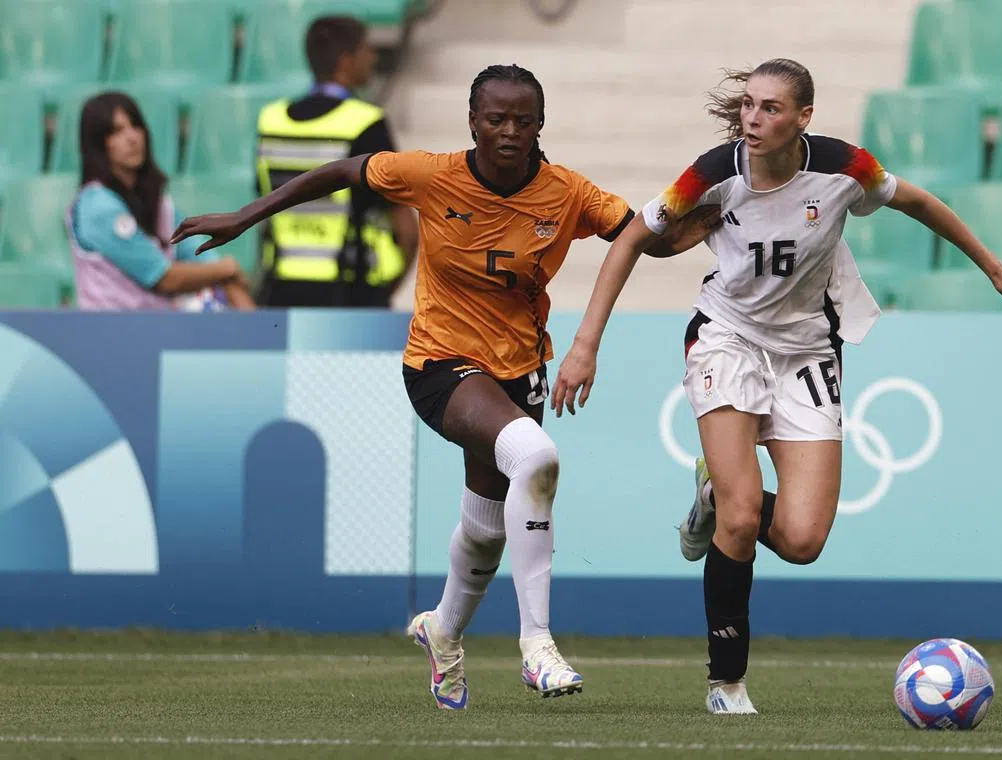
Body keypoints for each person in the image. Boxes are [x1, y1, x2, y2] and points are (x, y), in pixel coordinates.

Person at [172, 64, 713, 710]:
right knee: (536, 457)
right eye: (496, 119)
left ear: (542, 125)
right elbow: (345, 172)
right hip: (440, 365)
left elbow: (646, 239)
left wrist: (729, 208)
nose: (509, 131)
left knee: (485, 528)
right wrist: (246, 215)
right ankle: (537, 645)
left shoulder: (567, 194)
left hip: (519, 369)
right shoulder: (431, 175)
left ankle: (443, 630)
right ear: (472, 121)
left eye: (524, 120)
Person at [551, 58, 1002, 715]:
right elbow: (636, 238)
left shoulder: (846, 169)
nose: (753, 118)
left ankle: (713, 494)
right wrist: (585, 345)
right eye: (749, 105)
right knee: (745, 512)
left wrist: (992, 267)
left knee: (805, 540)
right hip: (726, 337)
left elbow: (918, 202)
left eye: (771, 108)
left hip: (808, 350)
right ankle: (726, 685)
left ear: (802, 117)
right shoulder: (713, 174)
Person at [255, 15, 418, 308]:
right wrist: (384, 292)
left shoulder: (271, 120)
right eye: (366, 49)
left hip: (280, 287)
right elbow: (405, 228)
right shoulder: (366, 123)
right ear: (346, 60)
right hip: (352, 290)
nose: (372, 57)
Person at [66, 91, 254, 311]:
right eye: (116, 131)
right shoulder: (96, 206)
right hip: (109, 333)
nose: (132, 137)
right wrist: (226, 269)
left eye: (136, 126)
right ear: (98, 145)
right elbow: (162, 278)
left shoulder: (160, 202)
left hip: (154, 329)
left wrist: (227, 277)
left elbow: (199, 253)